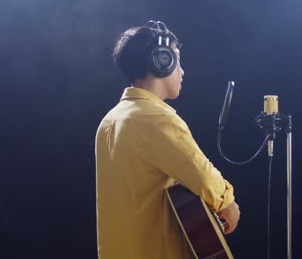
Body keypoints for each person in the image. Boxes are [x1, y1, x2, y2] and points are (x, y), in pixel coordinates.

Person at [95, 20, 240, 259]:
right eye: (177, 59)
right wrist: (227, 201)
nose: (182, 71)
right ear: (162, 61)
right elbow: (203, 177)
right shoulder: (156, 118)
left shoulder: (109, 121)